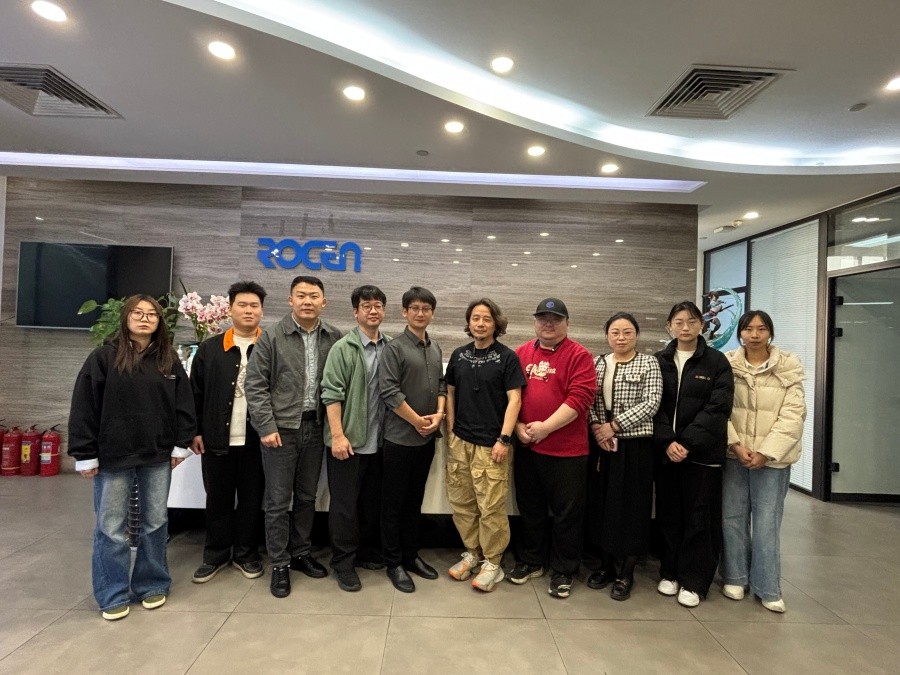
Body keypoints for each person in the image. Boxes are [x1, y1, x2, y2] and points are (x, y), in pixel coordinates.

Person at [68, 295, 195, 621]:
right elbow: (84, 405)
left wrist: (181, 444)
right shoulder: (103, 358)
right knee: (111, 527)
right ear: (126, 318)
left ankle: (152, 584)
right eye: (138, 312)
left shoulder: (168, 359)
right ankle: (112, 593)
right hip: (113, 455)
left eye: (152, 314)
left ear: (159, 322)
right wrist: (85, 453)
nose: (144, 318)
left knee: (155, 523)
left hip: (156, 453)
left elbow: (184, 403)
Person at [245, 275, 343, 598]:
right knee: (277, 500)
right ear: (290, 300)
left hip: (316, 428)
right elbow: (255, 385)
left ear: (324, 302)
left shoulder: (334, 337)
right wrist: (266, 426)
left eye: (313, 296)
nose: (307, 301)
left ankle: (301, 552)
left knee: (306, 496)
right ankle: (279, 563)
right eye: (301, 295)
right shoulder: (272, 336)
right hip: (281, 431)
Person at [509, 298, 597, 599]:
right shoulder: (521, 353)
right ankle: (532, 560)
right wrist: (518, 426)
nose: (549, 324)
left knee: (566, 515)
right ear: (535, 322)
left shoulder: (580, 355)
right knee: (530, 509)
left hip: (567, 452)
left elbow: (580, 399)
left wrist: (545, 427)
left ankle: (564, 569)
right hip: (527, 448)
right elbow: (510, 395)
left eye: (556, 319)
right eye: (543, 318)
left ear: (567, 323)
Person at [722, 310, 806, 613]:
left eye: (761, 329)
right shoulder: (727, 363)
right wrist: (735, 445)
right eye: (748, 329)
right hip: (734, 454)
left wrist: (767, 452)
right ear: (740, 333)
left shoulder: (788, 365)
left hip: (773, 460)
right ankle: (735, 577)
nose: (754, 335)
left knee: (767, 522)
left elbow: (794, 414)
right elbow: (719, 409)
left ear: (770, 332)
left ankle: (767, 586)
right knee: (732, 518)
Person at [654, 300, 734, 608]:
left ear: (702, 324)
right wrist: (667, 441)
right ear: (669, 327)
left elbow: (718, 408)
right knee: (670, 514)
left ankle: (694, 581)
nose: (685, 327)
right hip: (667, 452)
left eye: (691, 321)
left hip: (702, 454)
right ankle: (670, 572)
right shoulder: (659, 360)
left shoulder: (717, 362)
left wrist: (686, 443)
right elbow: (654, 405)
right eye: (678, 322)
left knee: (700, 517)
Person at [445, 299, 525, 592]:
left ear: (496, 324)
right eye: (475, 318)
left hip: (492, 445)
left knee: (491, 507)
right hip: (460, 442)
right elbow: (450, 393)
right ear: (469, 322)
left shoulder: (507, 358)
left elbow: (515, 399)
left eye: (486, 319)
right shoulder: (459, 355)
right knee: (462, 504)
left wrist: (504, 438)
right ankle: (472, 553)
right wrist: (451, 431)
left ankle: (493, 561)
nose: (480, 323)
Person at [190, 281, 267, 584]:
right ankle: (215, 554)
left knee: (251, 499)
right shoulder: (210, 349)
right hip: (216, 439)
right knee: (217, 499)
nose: (248, 311)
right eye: (242, 305)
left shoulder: (270, 347)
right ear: (230, 309)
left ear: (261, 311)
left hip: (257, 440)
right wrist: (195, 431)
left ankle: (246, 554)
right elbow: (195, 393)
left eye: (254, 306)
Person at [585, 312, 662, 601]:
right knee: (604, 504)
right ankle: (605, 566)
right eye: (615, 332)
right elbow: (589, 399)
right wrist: (598, 428)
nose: (621, 338)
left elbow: (651, 402)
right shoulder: (598, 363)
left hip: (635, 445)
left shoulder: (649, 363)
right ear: (607, 335)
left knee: (633, 506)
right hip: (602, 445)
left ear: (636, 335)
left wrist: (614, 426)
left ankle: (626, 572)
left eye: (627, 332)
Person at [320, 285, 391, 593]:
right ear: (355, 312)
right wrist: (337, 436)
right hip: (347, 442)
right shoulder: (343, 348)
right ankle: (343, 562)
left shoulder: (390, 347)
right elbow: (331, 394)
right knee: (344, 506)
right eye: (366, 306)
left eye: (378, 306)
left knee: (370, 503)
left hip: (379, 441)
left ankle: (364, 553)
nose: (372, 311)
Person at [378, 286, 446, 593]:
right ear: (404, 312)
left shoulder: (435, 347)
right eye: (414, 308)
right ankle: (393, 562)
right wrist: (418, 421)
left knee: (414, 501)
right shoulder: (394, 349)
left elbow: (441, 385)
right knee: (393, 504)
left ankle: (410, 555)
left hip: (426, 439)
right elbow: (389, 392)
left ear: (432, 313)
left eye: (426, 309)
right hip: (399, 439)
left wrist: (439, 416)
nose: (420, 313)